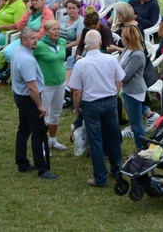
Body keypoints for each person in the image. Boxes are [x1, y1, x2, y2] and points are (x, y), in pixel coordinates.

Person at [69, 30, 124, 188]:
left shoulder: (81, 64)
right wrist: (114, 95)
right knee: (113, 137)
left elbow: (77, 91)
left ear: (86, 44)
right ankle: (117, 169)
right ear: (100, 43)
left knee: (96, 141)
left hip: (91, 104)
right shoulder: (111, 60)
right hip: (110, 101)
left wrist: (76, 109)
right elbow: (119, 82)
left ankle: (100, 177)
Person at [11, 27, 57, 180]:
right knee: (38, 132)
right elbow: (32, 87)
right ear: (24, 40)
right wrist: (40, 105)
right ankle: (42, 168)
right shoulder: (27, 60)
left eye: (36, 37)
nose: (35, 40)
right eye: (32, 38)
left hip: (20, 96)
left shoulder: (18, 51)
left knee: (23, 129)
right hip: (29, 99)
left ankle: (22, 163)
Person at [32, 20, 68, 152]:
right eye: (54, 29)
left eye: (58, 29)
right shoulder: (40, 46)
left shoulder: (63, 42)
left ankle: (53, 140)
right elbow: (30, 60)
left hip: (61, 83)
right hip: (46, 85)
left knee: (56, 112)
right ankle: (41, 145)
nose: (57, 31)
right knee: (43, 114)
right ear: (46, 32)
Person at [117, 25, 147, 152]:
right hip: (127, 90)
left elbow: (124, 76)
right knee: (134, 123)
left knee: (136, 124)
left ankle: (141, 150)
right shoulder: (127, 49)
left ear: (128, 39)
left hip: (134, 91)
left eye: (123, 37)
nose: (121, 39)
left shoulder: (137, 55)